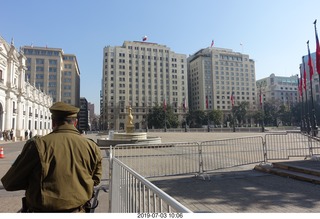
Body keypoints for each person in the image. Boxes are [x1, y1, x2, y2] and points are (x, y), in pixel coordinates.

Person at [1, 102, 103, 212]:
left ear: (53, 122)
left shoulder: (37, 145)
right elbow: (96, 180)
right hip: (79, 211)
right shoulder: (92, 147)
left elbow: (10, 182)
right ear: (75, 123)